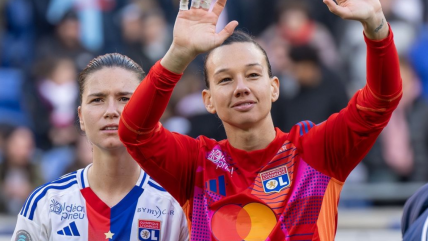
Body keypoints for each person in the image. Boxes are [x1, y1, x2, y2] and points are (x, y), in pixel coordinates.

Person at [119, 0, 402, 239]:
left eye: (253, 75)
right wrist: (178, 55)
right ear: (208, 100)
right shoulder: (196, 165)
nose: (241, 87)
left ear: (274, 87)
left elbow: (381, 100)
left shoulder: (315, 151)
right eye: (226, 79)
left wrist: (376, 24)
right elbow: (134, 131)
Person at [11, 53, 189, 241]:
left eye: (124, 98)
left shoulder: (177, 206)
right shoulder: (45, 204)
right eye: (97, 99)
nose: (111, 111)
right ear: (80, 117)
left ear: (147, 110)